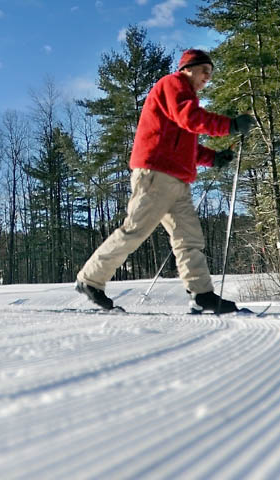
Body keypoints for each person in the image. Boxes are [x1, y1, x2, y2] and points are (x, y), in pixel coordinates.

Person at [75, 49, 256, 313]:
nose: (208, 76)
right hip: (155, 175)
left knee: (189, 238)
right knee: (135, 230)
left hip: (178, 181)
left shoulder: (187, 98)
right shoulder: (172, 85)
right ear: (187, 68)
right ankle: (89, 280)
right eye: (204, 69)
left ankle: (201, 294)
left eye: (211, 72)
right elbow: (190, 119)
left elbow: (188, 146)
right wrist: (229, 125)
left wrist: (214, 158)